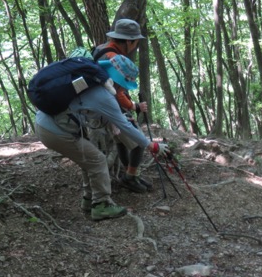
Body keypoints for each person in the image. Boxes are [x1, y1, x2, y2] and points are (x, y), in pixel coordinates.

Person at [34, 54, 167, 221]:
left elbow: (96, 114)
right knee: (97, 160)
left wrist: (120, 119)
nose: (123, 89)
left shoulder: (93, 84)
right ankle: (101, 205)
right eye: (124, 84)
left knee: (88, 160)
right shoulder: (104, 95)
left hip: (47, 124)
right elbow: (125, 127)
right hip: (55, 131)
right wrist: (151, 145)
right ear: (118, 80)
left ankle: (89, 200)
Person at [93, 18, 151, 194]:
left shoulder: (101, 49)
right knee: (139, 141)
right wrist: (134, 106)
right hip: (110, 108)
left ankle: (130, 174)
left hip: (98, 108)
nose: (135, 46)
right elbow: (117, 93)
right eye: (135, 42)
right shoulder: (113, 58)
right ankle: (130, 177)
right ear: (128, 41)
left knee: (121, 141)